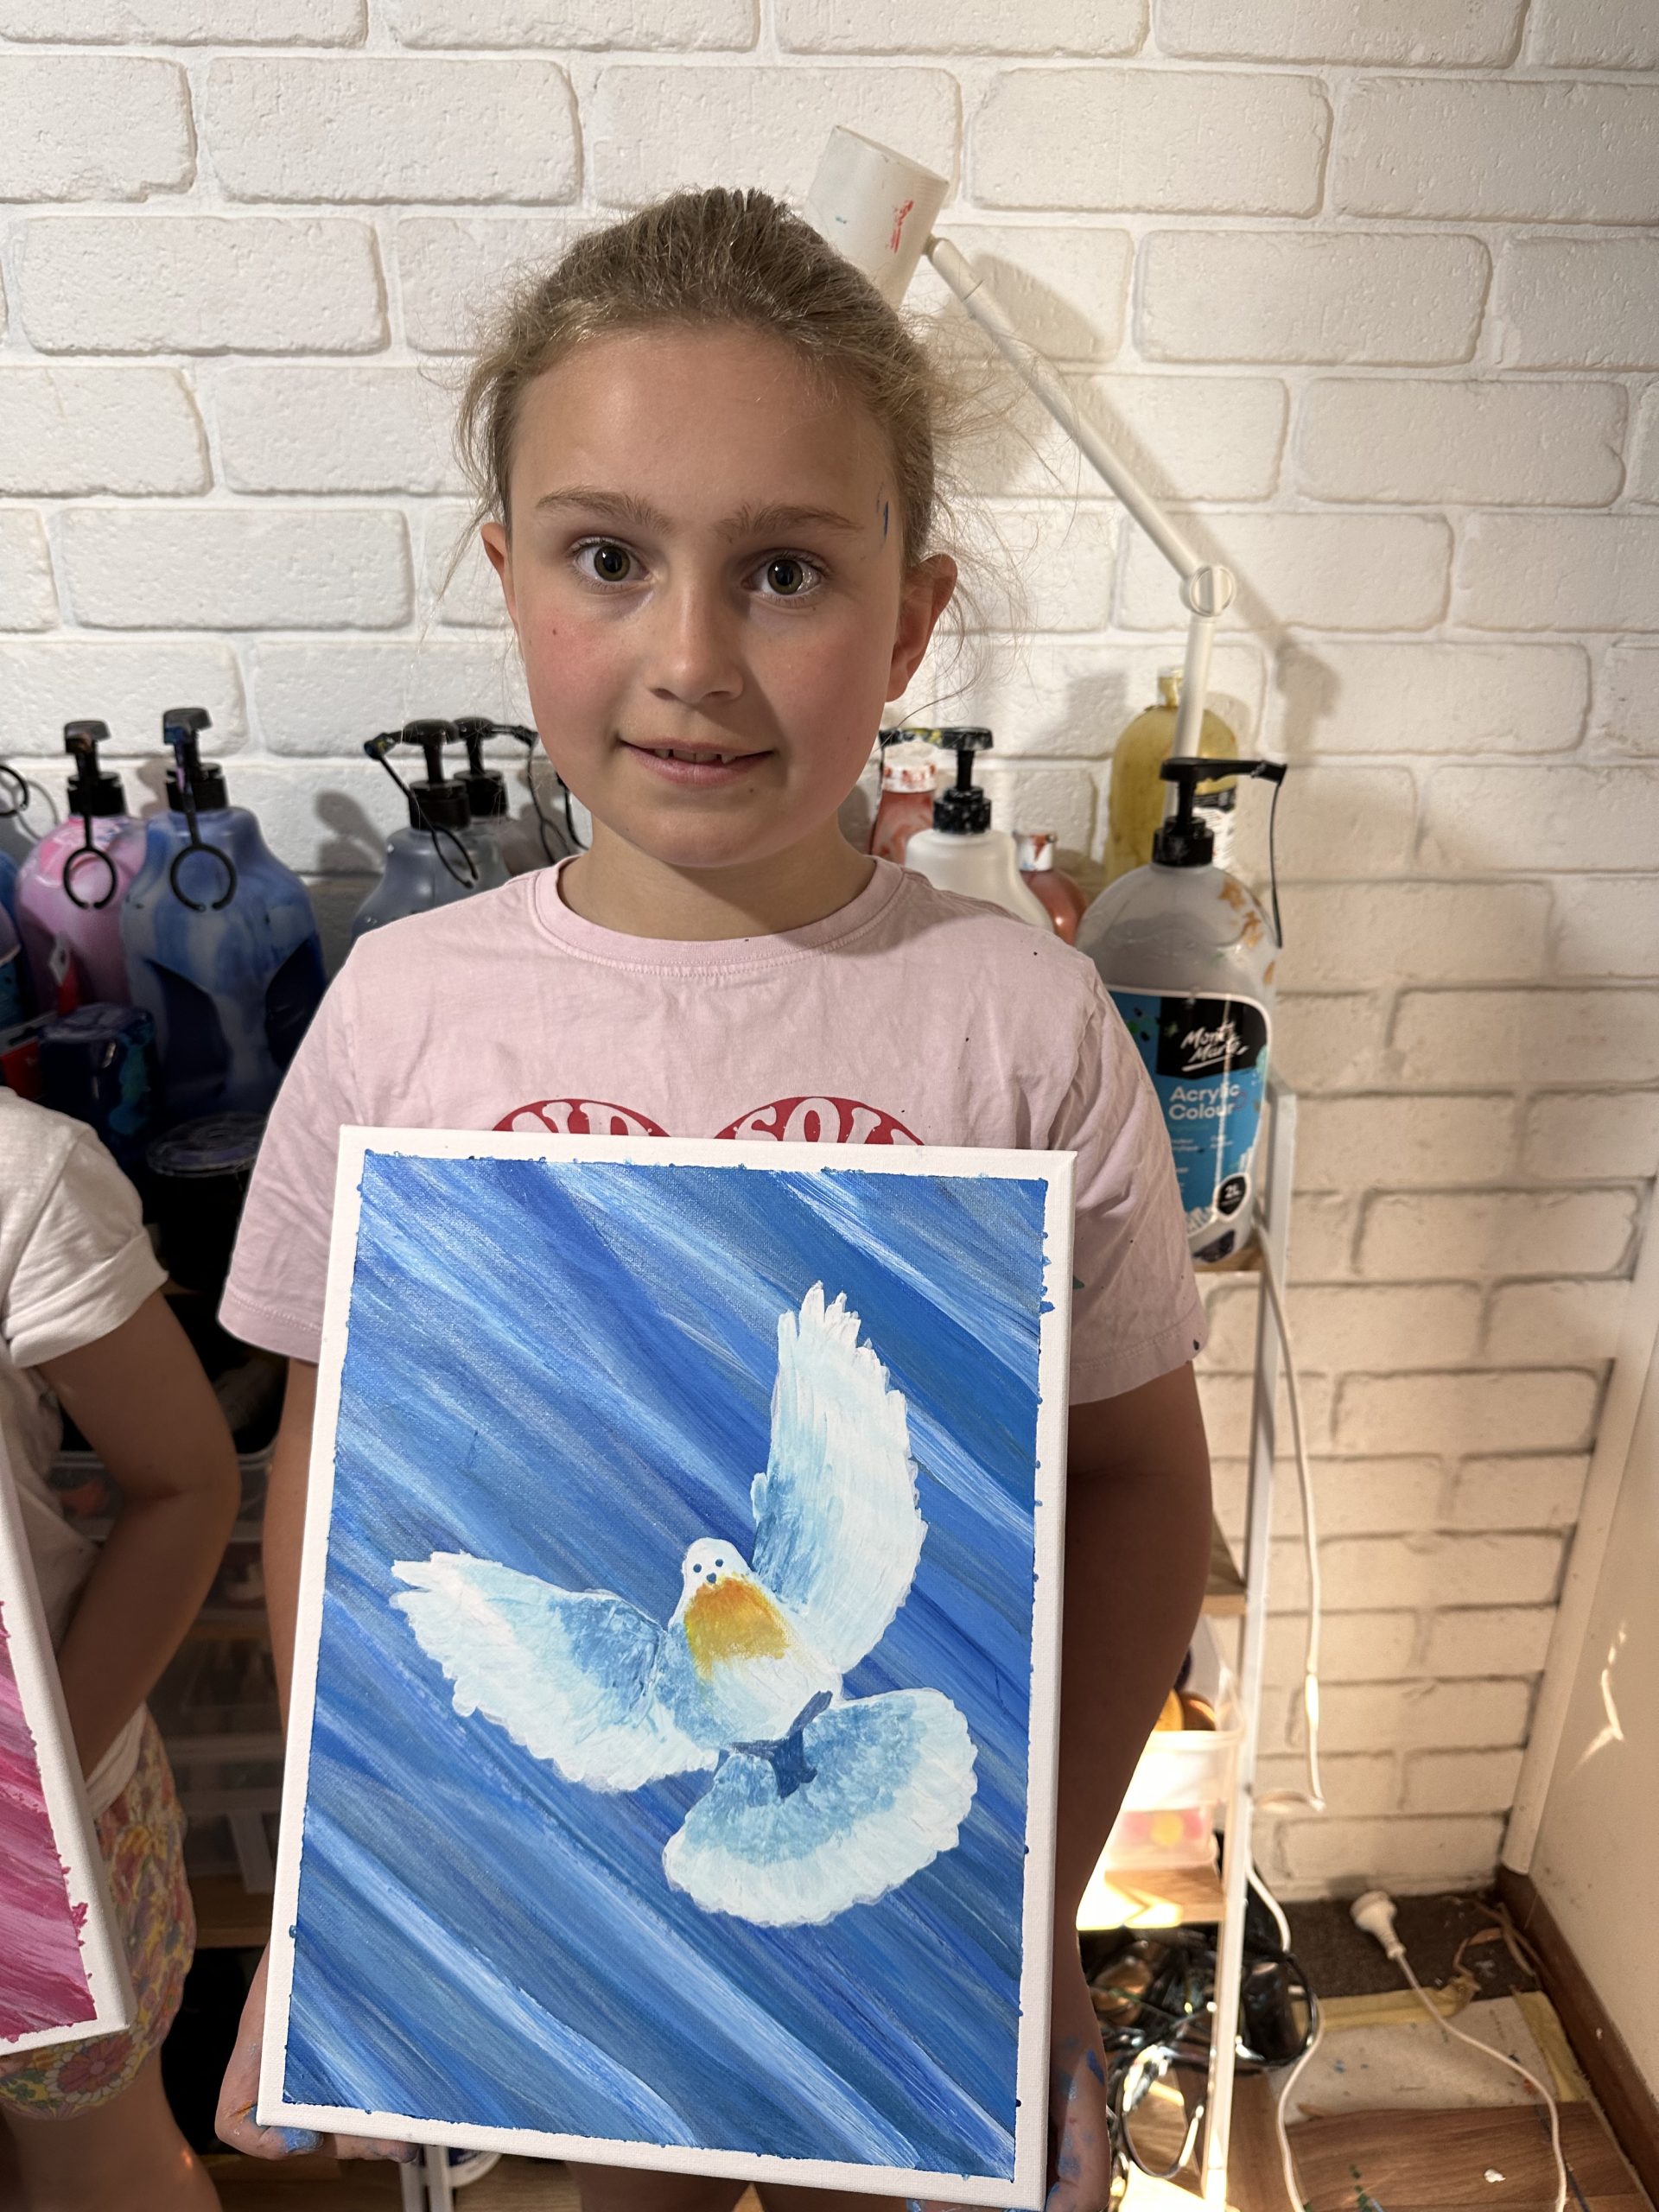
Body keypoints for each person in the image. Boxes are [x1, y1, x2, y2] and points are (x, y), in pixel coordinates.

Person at [213, 188, 1213, 2212]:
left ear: (911, 620)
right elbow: (341, 1478)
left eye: (783, 570)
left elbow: (1134, 1486)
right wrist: (356, 1880)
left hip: (907, 1929)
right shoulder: (403, 1009)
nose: (689, 658)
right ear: (508, 576)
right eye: (608, 555)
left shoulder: (1015, 1017)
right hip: (591, 1918)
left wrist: (1023, 1913)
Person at [0, 1093, 239, 2210]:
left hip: (45, 1823)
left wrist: (30, 1804)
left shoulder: (22, 1171)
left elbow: (186, 1484)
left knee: (97, 2169)